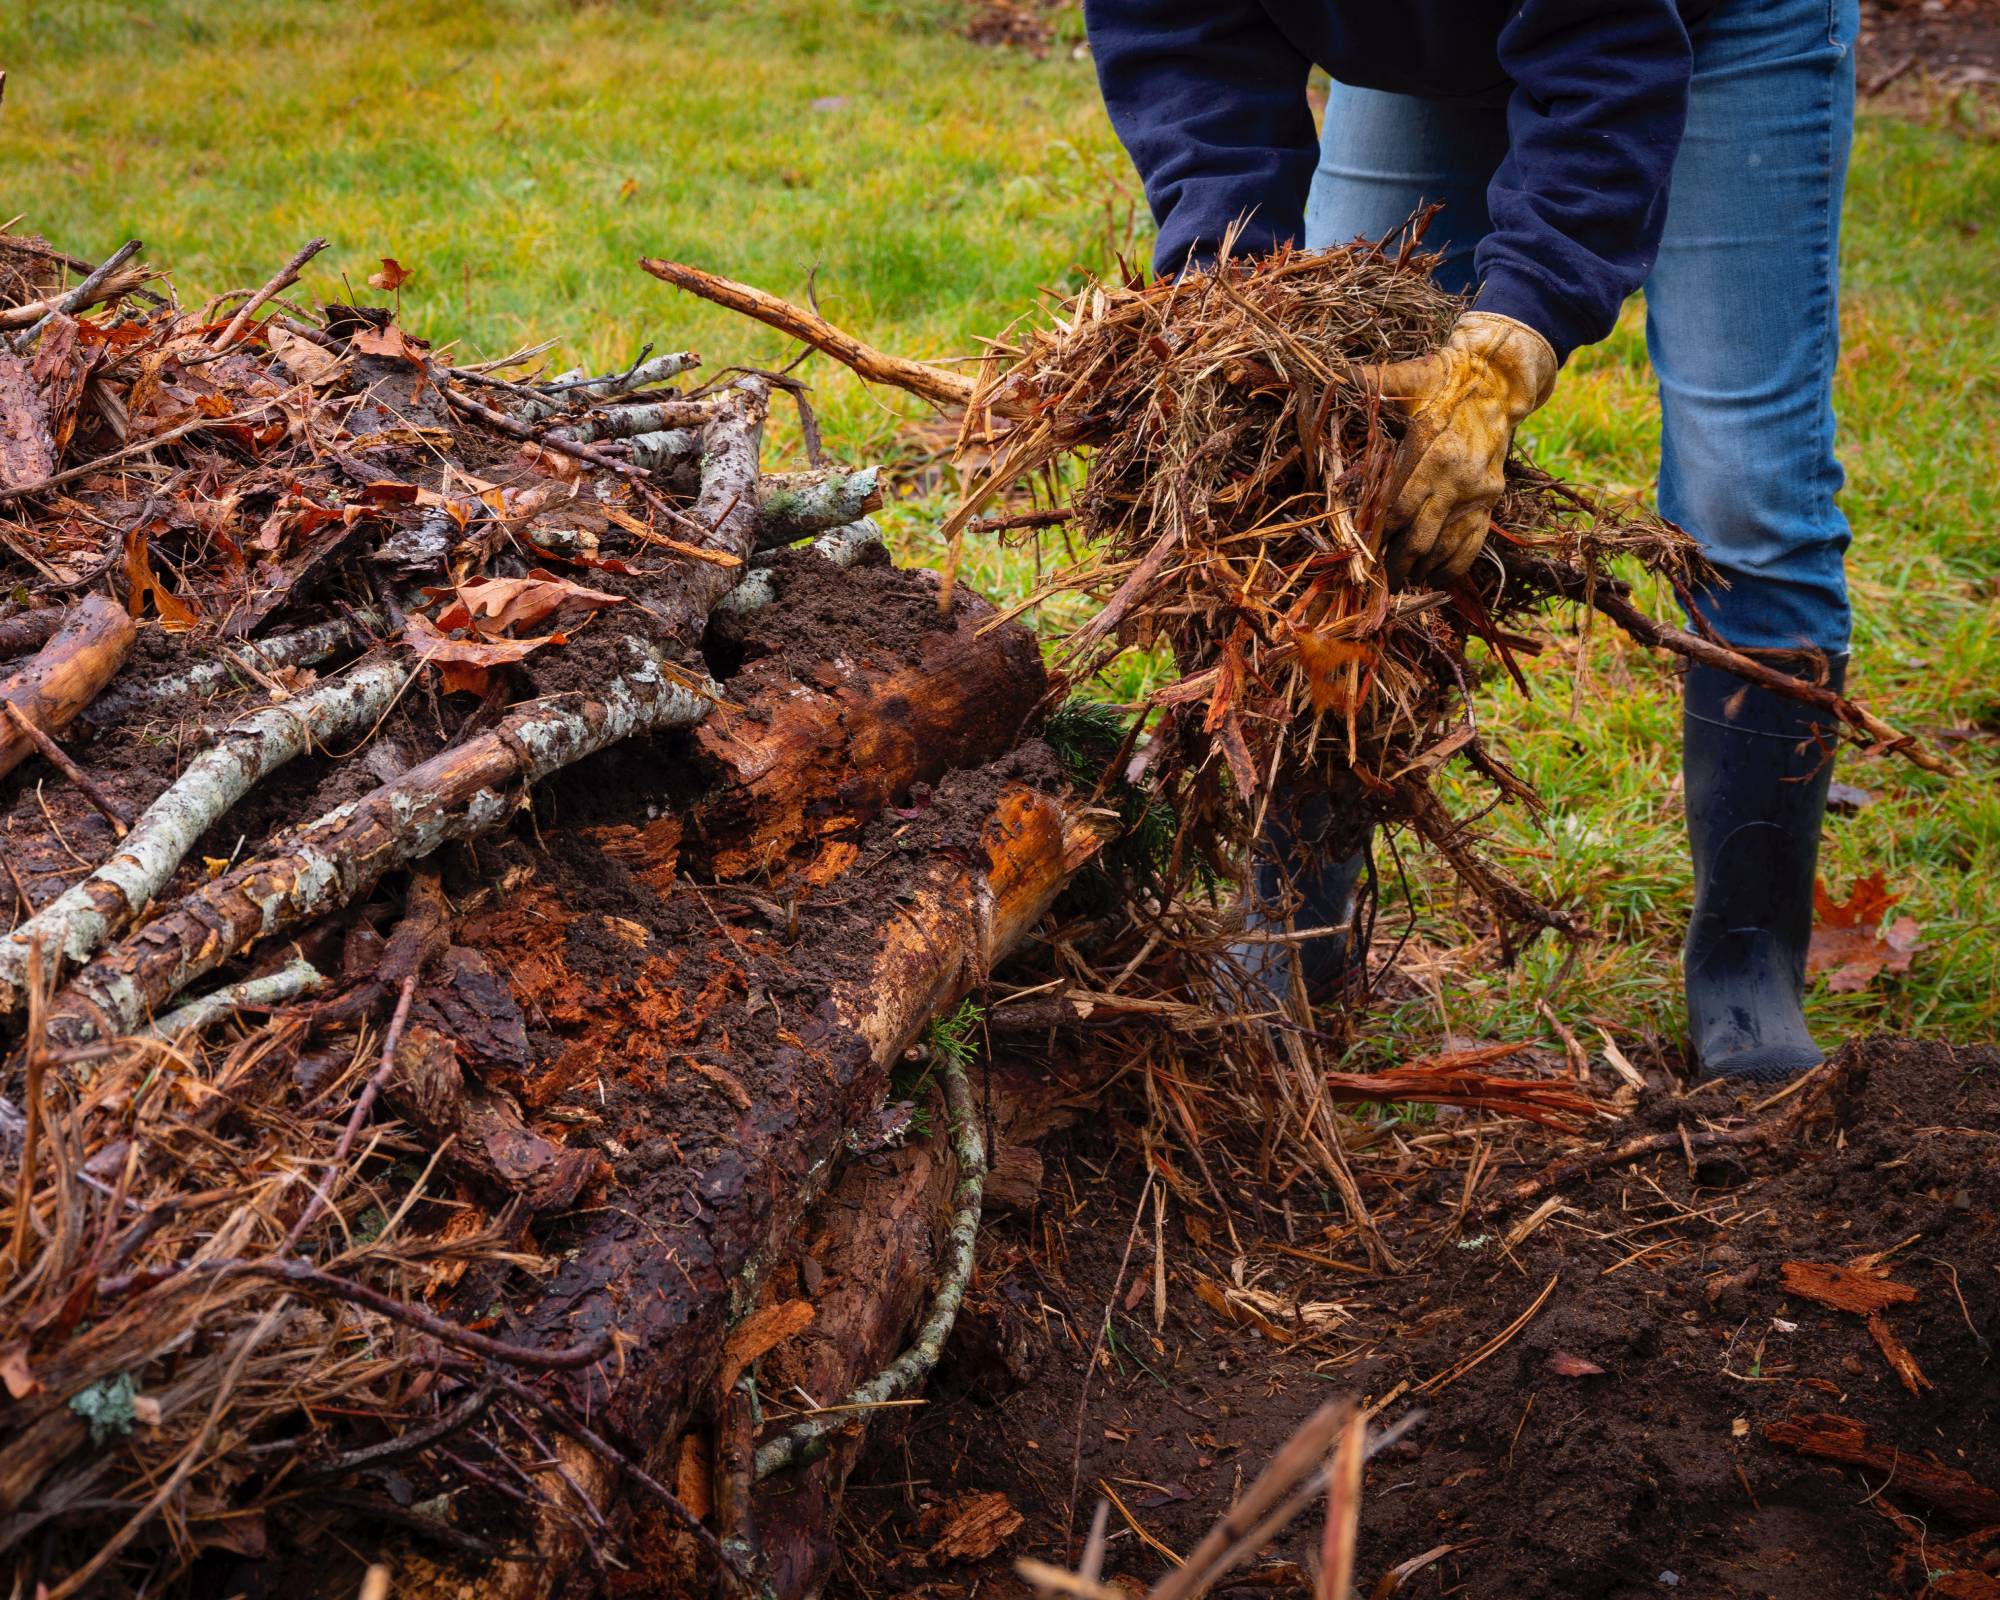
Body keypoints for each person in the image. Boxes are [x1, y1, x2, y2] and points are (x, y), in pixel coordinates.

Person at [1083, 0, 1859, 1083]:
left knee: (1742, 493)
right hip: (1428, 40)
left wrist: (1512, 334)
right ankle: (1286, 936)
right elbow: (1175, 33)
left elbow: (1607, 51)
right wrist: (1234, 282)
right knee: (1327, 446)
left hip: (1712, 24)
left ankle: (1746, 974)